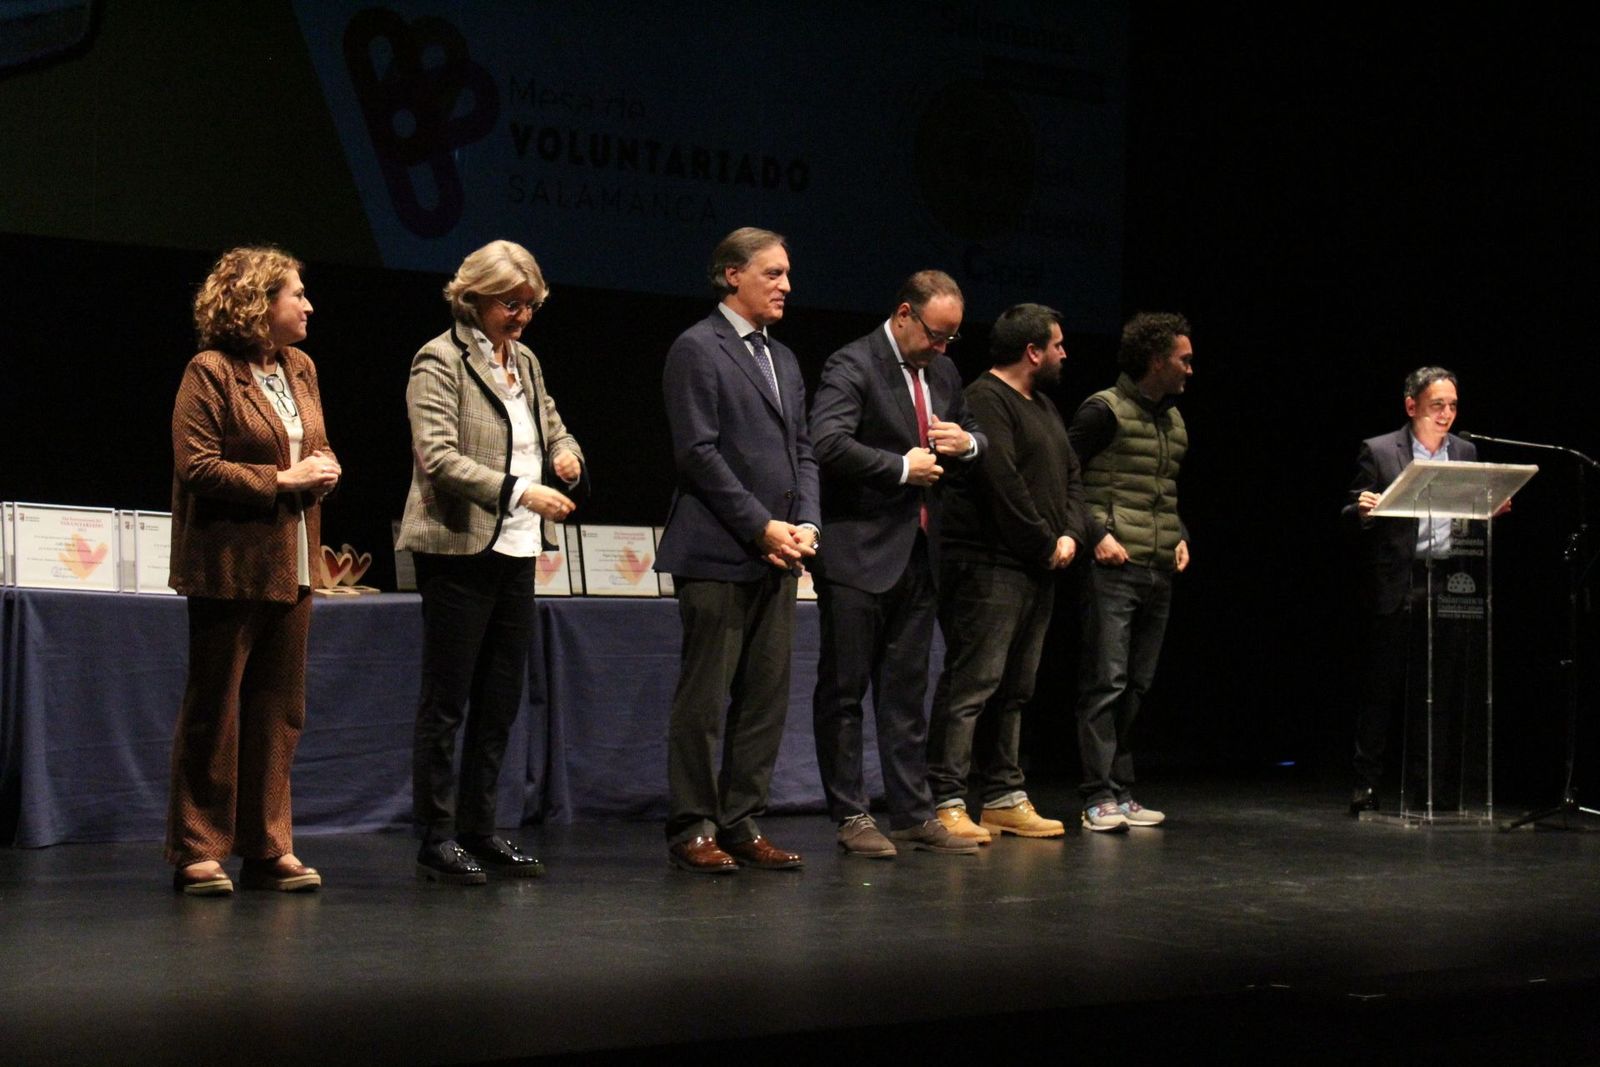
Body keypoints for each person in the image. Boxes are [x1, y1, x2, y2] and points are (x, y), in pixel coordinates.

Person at [396, 240, 586, 884]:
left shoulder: (524, 360)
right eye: (512, 304)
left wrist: (568, 455)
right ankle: (436, 835)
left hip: (516, 547)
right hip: (458, 545)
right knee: (448, 700)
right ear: (473, 296)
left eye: (530, 305)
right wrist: (520, 490)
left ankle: (482, 826)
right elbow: (438, 457)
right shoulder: (438, 360)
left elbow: (551, 424)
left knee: (501, 699)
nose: (522, 316)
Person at [167, 246, 341, 895]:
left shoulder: (301, 367)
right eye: (296, 293)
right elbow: (198, 465)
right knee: (217, 706)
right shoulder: (209, 371)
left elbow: (311, 440)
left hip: (294, 559)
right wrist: (285, 477)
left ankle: (268, 845)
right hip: (229, 561)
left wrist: (324, 465)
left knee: (279, 707)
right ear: (258, 303)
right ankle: (197, 848)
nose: (307, 305)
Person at [655, 226, 819, 873]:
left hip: (778, 554)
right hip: (718, 551)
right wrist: (760, 525)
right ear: (732, 276)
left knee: (765, 696)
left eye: (786, 274)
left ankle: (742, 820)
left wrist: (805, 521)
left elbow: (802, 448)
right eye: (772, 273)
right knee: (705, 699)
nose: (785, 285)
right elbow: (697, 452)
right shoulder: (697, 348)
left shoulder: (783, 359)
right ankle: (693, 824)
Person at [809, 270, 986, 857]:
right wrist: (900, 468)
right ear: (904, 314)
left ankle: (911, 811)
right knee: (844, 690)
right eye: (936, 335)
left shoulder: (943, 370)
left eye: (950, 340)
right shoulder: (852, 364)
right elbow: (827, 443)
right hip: (858, 553)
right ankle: (853, 813)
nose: (941, 348)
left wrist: (969, 443)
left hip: (919, 553)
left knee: (908, 692)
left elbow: (970, 429)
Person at [926, 303, 1084, 841]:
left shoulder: (1044, 406)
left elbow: (1071, 478)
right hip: (990, 565)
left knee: (1016, 687)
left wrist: (1071, 534)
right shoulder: (985, 399)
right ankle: (946, 796)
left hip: (1038, 566)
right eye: (1057, 344)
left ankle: (1002, 795)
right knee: (973, 684)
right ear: (1032, 351)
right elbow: (1003, 485)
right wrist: (1045, 543)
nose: (1065, 353)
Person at [1068, 311, 1192, 832]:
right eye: (1184, 360)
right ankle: (1097, 794)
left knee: (1136, 684)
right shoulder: (1104, 410)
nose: (1190, 369)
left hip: (1157, 566)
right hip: (1113, 568)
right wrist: (1097, 535)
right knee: (1107, 681)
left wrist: (1181, 534)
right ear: (1157, 360)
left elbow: (1160, 492)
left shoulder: (1174, 419)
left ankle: (1121, 787)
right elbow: (1065, 478)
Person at [1344, 366, 1478, 816]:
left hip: (1448, 580)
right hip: (1398, 581)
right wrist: (1363, 510)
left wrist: (1488, 511)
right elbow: (1353, 509)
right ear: (1412, 407)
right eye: (1437, 405)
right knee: (1382, 688)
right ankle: (1365, 785)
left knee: (1439, 690)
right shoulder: (1380, 451)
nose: (1446, 414)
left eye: (1453, 406)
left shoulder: (1465, 451)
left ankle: (1430, 788)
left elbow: (1472, 512)